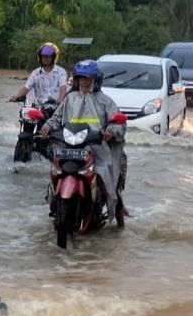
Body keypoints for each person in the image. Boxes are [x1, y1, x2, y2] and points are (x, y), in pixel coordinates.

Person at [39, 60, 128, 225]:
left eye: (88, 79)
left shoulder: (105, 101)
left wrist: (111, 131)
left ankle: (117, 215)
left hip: (97, 148)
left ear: (96, 80)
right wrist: (47, 125)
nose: (85, 82)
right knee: (55, 172)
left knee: (110, 182)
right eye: (81, 78)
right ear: (76, 80)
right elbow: (57, 118)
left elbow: (119, 122)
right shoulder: (70, 98)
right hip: (69, 146)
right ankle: (54, 200)